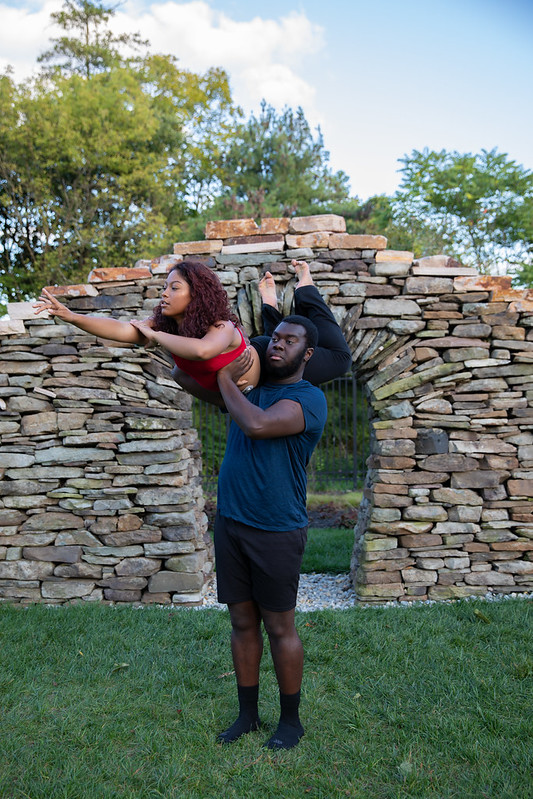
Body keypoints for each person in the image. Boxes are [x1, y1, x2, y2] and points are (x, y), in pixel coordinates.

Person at [213, 312, 327, 750]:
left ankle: (291, 722)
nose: (277, 345)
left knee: (280, 628)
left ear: (307, 352)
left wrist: (223, 374)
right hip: (232, 523)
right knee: (242, 622)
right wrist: (188, 359)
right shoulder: (250, 388)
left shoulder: (308, 397)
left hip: (277, 529)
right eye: (275, 338)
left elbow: (257, 426)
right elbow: (195, 383)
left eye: (290, 341)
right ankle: (247, 716)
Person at [34, 259, 351, 396]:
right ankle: (270, 304)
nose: (164, 294)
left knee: (339, 358)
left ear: (195, 294)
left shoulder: (221, 325)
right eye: (165, 287)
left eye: (174, 288)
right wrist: (71, 315)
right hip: (250, 371)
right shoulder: (165, 324)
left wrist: (156, 336)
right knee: (177, 372)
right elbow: (121, 329)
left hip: (267, 362)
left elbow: (202, 351)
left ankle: (304, 288)